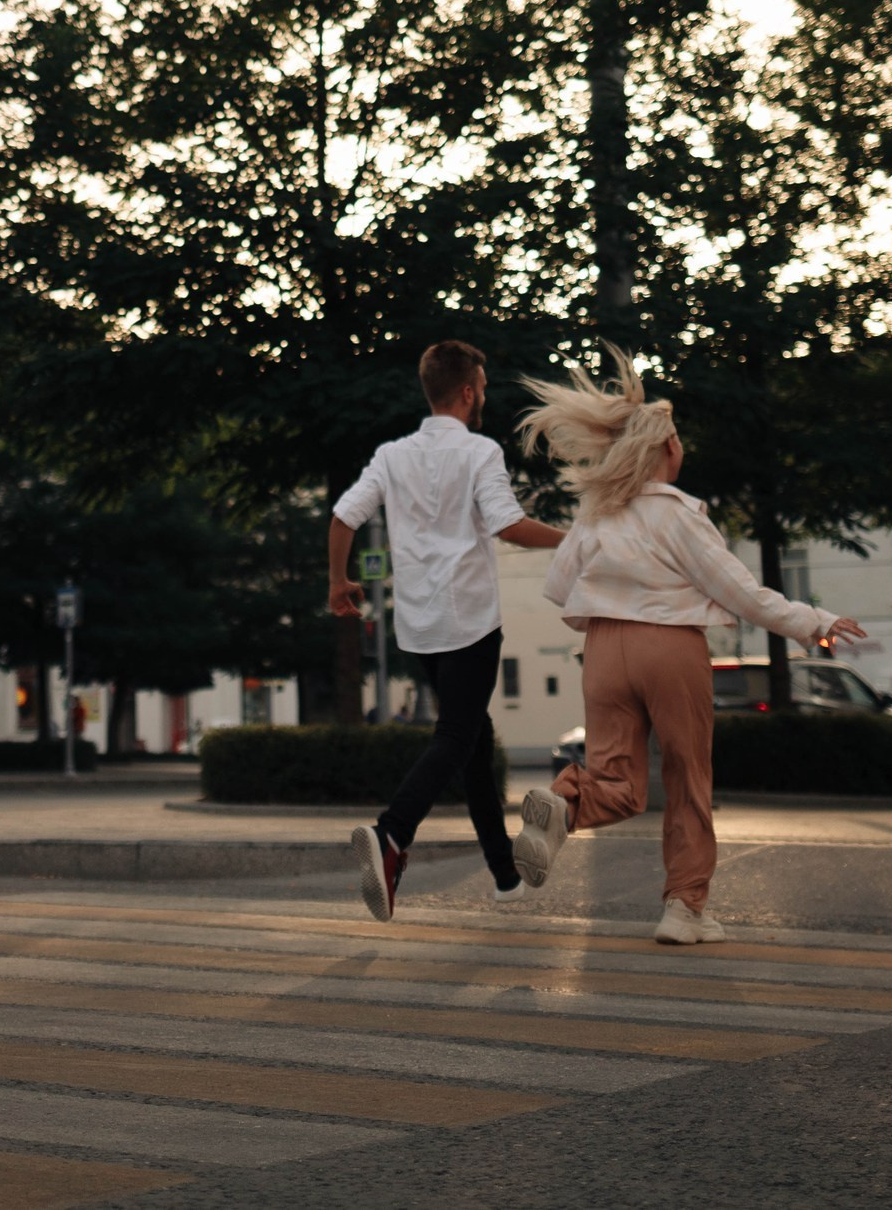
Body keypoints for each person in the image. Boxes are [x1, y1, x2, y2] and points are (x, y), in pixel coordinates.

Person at [508, 351, 863, 946]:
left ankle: (564, 802)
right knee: (689, 777)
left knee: (616, 783)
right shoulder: (681, 516)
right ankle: (684, 908)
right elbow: (743, 594)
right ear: (667, 449)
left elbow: (559, 589)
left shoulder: (596, 515)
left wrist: (607, 624)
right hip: (670, 648)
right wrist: (814, 623)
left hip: (602, 649)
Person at [332, 339, 567, 922]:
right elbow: (508, 525)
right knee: (458, 737)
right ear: (467, 392)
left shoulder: (391, 454)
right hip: (470, 621)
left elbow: (343, 515)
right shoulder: (481, 452)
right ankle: (392, 834)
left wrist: (338, 582)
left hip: (418, 626)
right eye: (482, 387)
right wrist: (577, 538)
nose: (484, 395)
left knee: (475, 741)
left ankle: (505, 876)